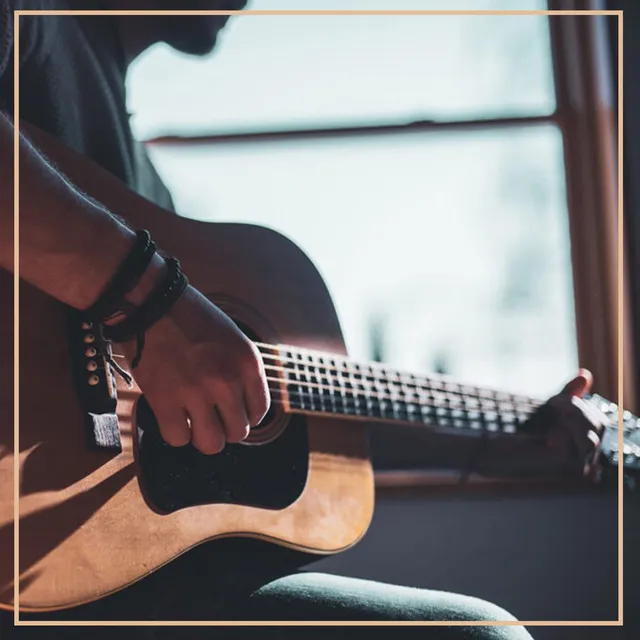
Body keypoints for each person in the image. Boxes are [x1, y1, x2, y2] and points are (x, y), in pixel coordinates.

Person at [0, 1, 602, 637]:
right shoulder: (34, 21)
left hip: (88, 573)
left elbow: (276, 415)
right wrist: (147, 301)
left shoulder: (148, 189)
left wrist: (493, 439)